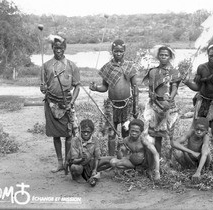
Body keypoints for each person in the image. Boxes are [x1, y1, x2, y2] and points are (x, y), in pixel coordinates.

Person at [182, 43, 213, 173]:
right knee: (195, 130)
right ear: (208, 55)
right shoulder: (201, 68)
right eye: (211, 55)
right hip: (201, 102)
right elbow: (197, 87)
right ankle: (193, 159)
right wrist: (187, 82)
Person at [89, 39, 139, 156]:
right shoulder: (108, 67)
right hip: (111, 105)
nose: (118, 53)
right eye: (116, 51)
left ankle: (124, 157)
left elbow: (135, 88)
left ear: (124, 51)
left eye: (120, 51)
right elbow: (105, 87)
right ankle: (111, 158)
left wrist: (135, 108)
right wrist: (96, 88)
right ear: (112, 51)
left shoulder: (129, 67)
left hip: (127, 105)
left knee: (126, 131)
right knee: (111, 133)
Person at [40, 34, 80, 173]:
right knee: (56, 135)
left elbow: (77, 87)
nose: (58, 50)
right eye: (56, 48)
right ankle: (60, 163)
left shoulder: (71, 65)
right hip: (51, 103)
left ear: (65, 48)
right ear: (52, 48)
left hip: (66, 104)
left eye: (61, 48)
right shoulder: (46, 66)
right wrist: (42, 89)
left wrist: (72, 102)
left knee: (68, 136)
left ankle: (68, 162)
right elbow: (43, 86)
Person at [143, 45, 182, 160]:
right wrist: (152, 94)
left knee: (170, 134)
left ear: (170, 57)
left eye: (166, 55)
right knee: (156, 134)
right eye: (161, 55)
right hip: (156, 105)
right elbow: (151, 89)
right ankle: (157, 158)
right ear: (158, 56)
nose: (163, 57)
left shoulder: (174, 72)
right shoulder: (153, 72)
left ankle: (170, 159)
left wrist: (171, 97)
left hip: (170, 105)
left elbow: (174, 87)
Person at [68, 119, 113, 186]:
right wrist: (81, 159)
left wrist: (94, 169)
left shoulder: (95, 140)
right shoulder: (75, 140)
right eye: (83, 132)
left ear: (92, 132)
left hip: (90, 163)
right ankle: (77, 176)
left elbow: (97, 157)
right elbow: (73, 160)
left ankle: (93, 172)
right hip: (79, 164)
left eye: (88, 132)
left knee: (112, 160)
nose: (85, 134)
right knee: (75, 168)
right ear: (80, 131)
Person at [171, 117, 211, 182]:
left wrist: (198, 172)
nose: (198, 132)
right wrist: (191, 152)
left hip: (200, 160)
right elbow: (174, 143)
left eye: (202, 130)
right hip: (190, 158)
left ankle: (205, 170)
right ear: (194, 128)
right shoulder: (191, 132)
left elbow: (204, 153)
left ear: (206, 131)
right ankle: (190, 168)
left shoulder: (206, 137)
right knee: (176, 151)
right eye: (197, 129)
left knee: (207, 151)